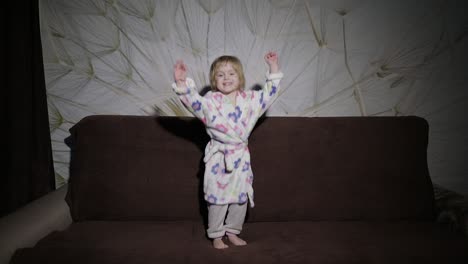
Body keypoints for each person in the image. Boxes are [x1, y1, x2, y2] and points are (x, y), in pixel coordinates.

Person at [172, 52, 283, 249]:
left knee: (240, 199)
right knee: (217, 200)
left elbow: (270, 93)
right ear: (214, 80)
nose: (226, 78)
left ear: (240, 77)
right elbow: (193, 102)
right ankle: (216, 235)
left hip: (240, 158)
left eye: (232, 73)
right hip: (219, 160)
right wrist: (181, 83)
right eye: (221, 75)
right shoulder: (210, 101)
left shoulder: (250, 100)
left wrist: (273, 67)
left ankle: (233, 232)